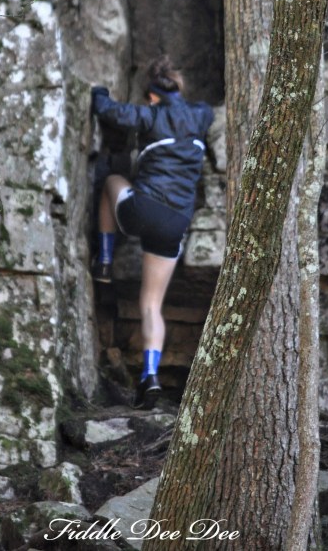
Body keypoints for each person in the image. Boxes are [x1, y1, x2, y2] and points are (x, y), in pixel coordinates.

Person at [91, 55, 214, 409]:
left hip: (143, 209)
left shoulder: (149, 114)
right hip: (175, 222)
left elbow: (109, 111)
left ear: (152, 96)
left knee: (111, 182)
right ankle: (150, 377)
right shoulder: (200, 114)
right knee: (151, 304)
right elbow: (208, 112)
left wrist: (99, 91)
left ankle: (104, 260)